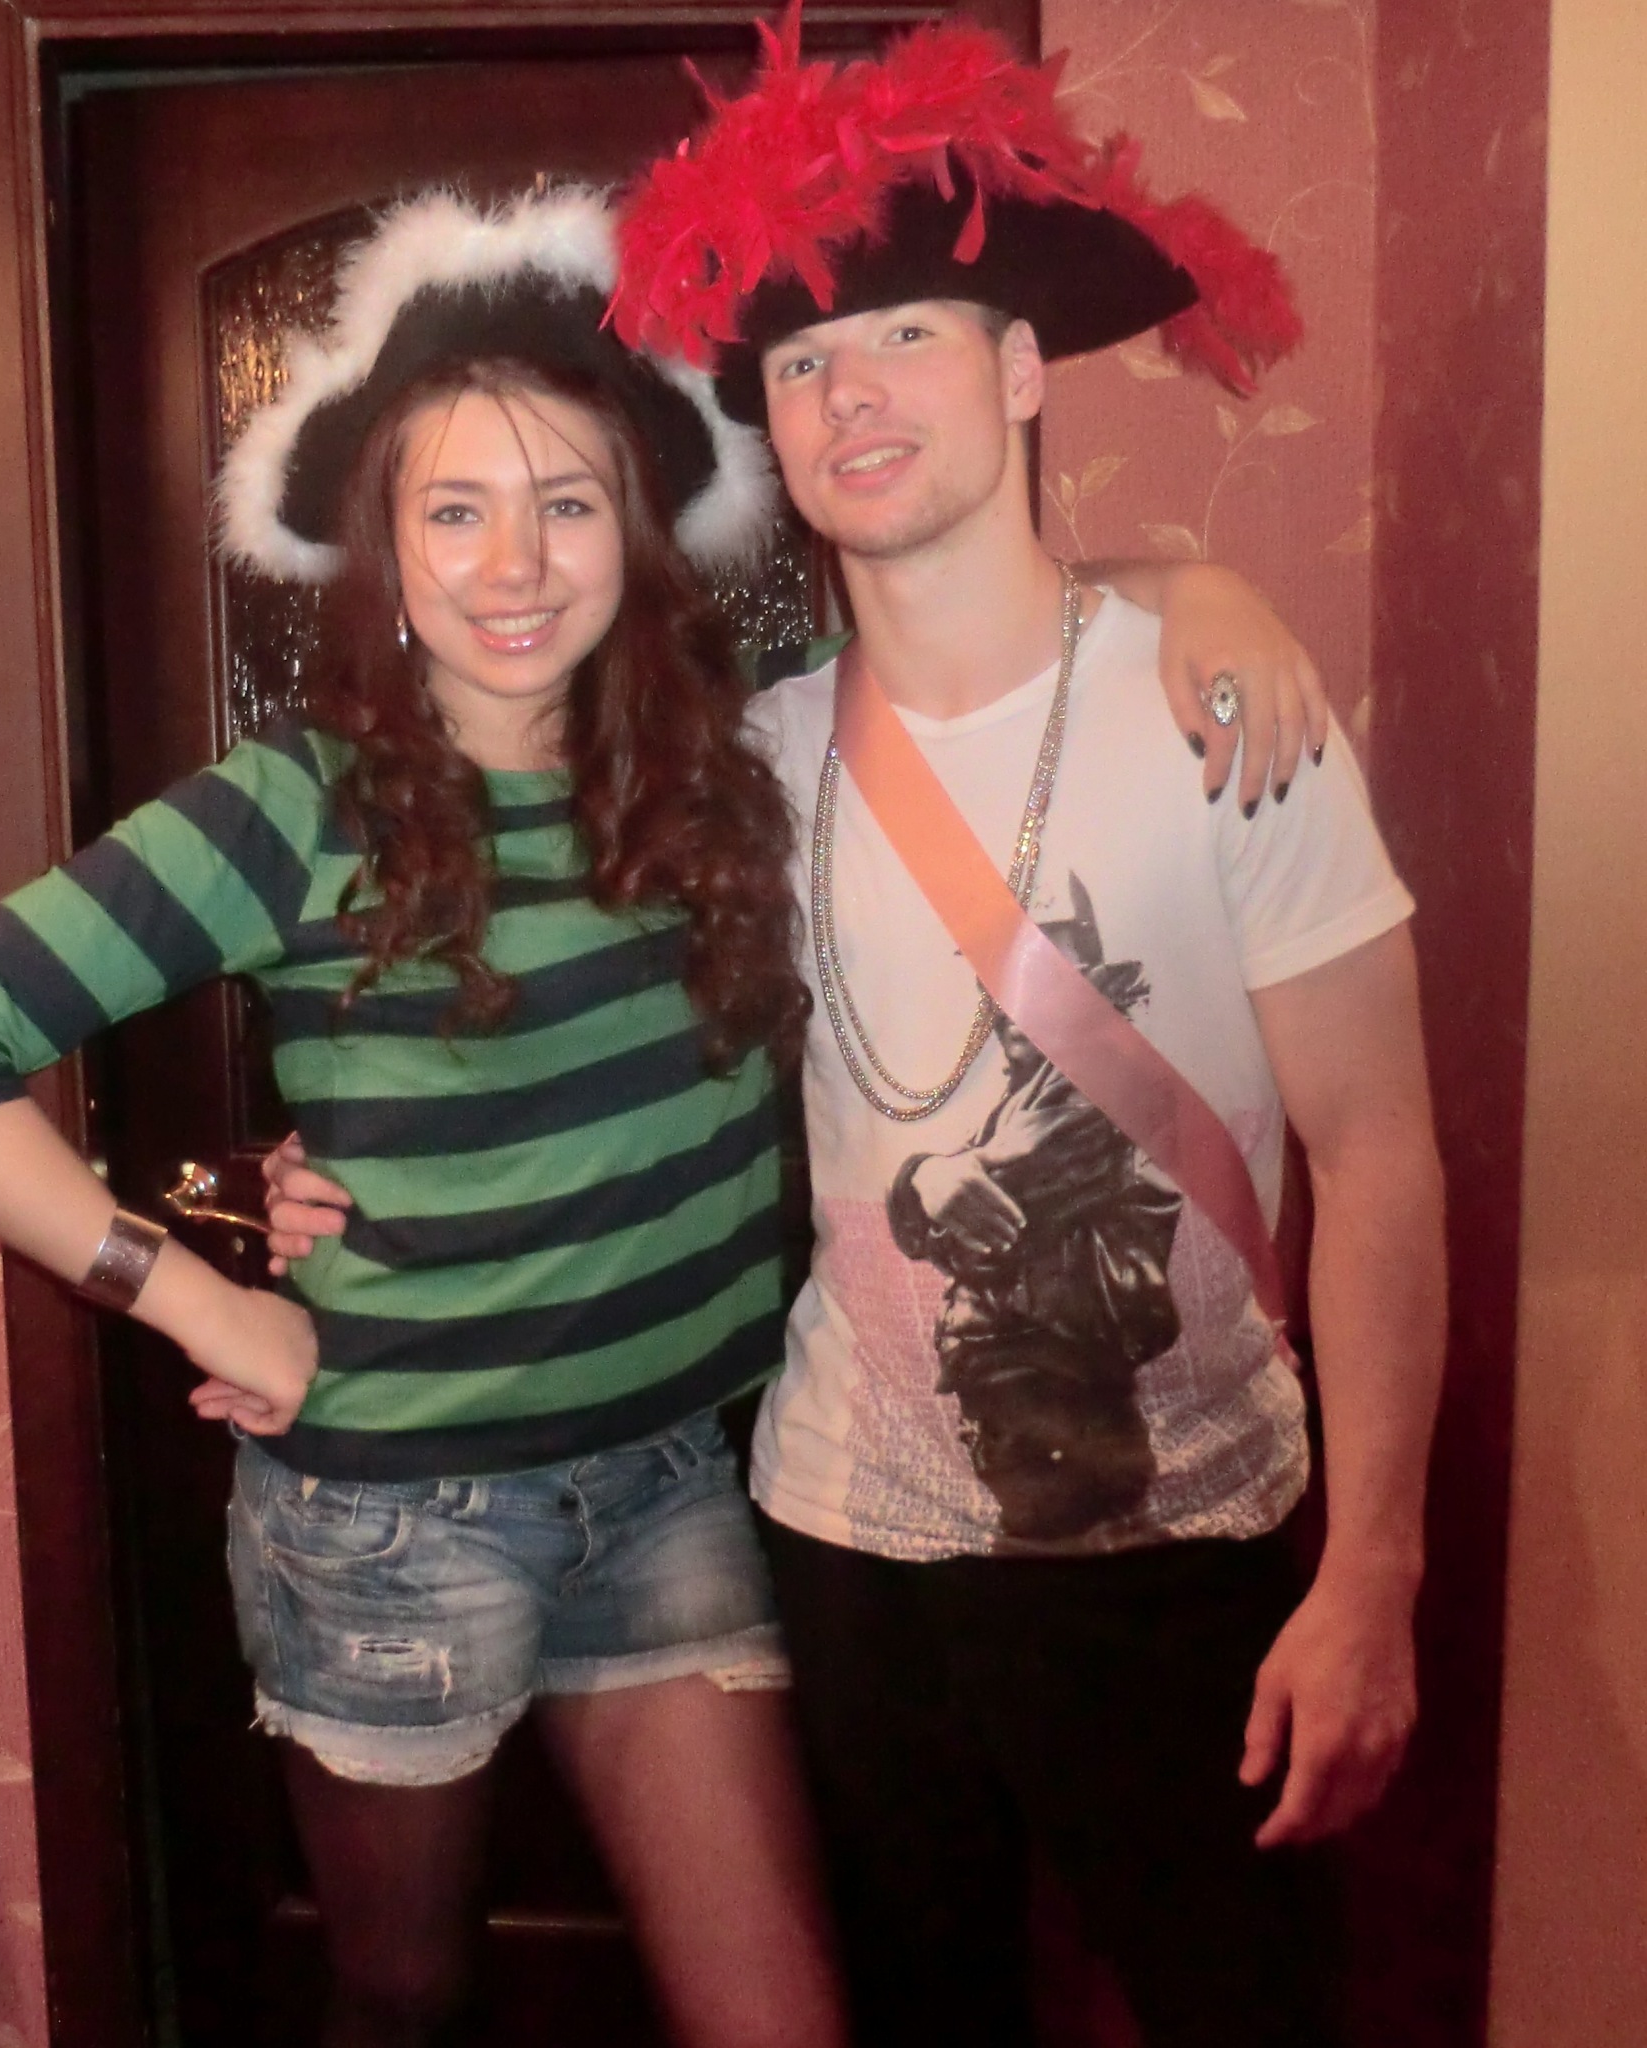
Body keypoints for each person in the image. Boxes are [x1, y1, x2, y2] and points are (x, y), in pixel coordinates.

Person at [0, 184, 846, 2048]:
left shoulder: (740, 760)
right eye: (453, 509)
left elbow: (985, 642)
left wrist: (1193, 601)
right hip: (397, 1525)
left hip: (673, 1483)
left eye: (565, 503)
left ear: (635, 527)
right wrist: (197, 1288)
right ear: (382, 543)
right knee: (398, 1994)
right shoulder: (293, 806)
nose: (512, 561)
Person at [607, 14, 1448, 2047]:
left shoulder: (1218, 708)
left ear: (1017, 369)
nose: (848, 395)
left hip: (1190, 1550)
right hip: (848, 1550)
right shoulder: (749, 760)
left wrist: (1374, 1574)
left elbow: (1381, 1156)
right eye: (801, 363)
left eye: (903, 336)